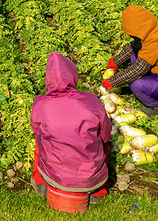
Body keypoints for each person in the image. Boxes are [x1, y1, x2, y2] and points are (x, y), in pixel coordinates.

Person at [31, 52, 113, 204]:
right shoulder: (90, 100)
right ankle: (97, 192)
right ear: (73, 76)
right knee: (104, 142)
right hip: (91, 178)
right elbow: (106, 134)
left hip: (55, 176)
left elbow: (35, 128)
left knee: (39, 136)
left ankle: (41, 182)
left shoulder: (41, 105)